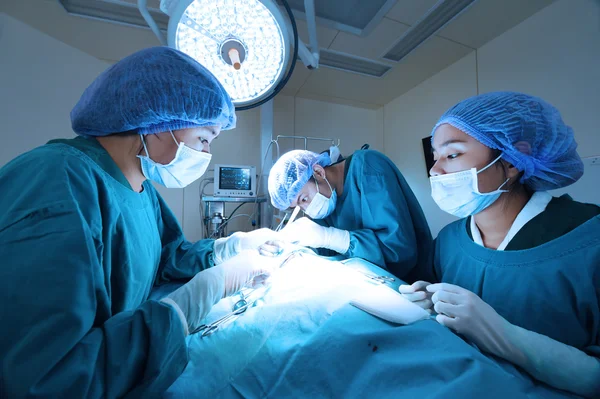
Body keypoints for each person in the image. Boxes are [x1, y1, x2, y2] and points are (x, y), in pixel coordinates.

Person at [0, 47, 279, 398]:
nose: (206, 156)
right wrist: (186, 307)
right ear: (159, 123)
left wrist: (229, 248)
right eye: (204, 139)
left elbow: (164, 256)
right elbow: (47, 379)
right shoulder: (56, 183)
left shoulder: (141, 189)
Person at [399, 92, 600, 397]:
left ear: (511, 161)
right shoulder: (451, 240)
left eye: (452, 155)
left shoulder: (588, 238)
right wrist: (430, 298)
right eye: (435, 157)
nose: (435, 170)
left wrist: (504, 335)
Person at [267, 148, 433, 279]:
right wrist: (289, 250)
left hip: (414, 287)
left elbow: (398, 252)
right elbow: (325, 255)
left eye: (304, 199)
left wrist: (331, 237)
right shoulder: (325, 204)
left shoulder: (368, 168)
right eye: (299, 206)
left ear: (318, 172)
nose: (307, 209)